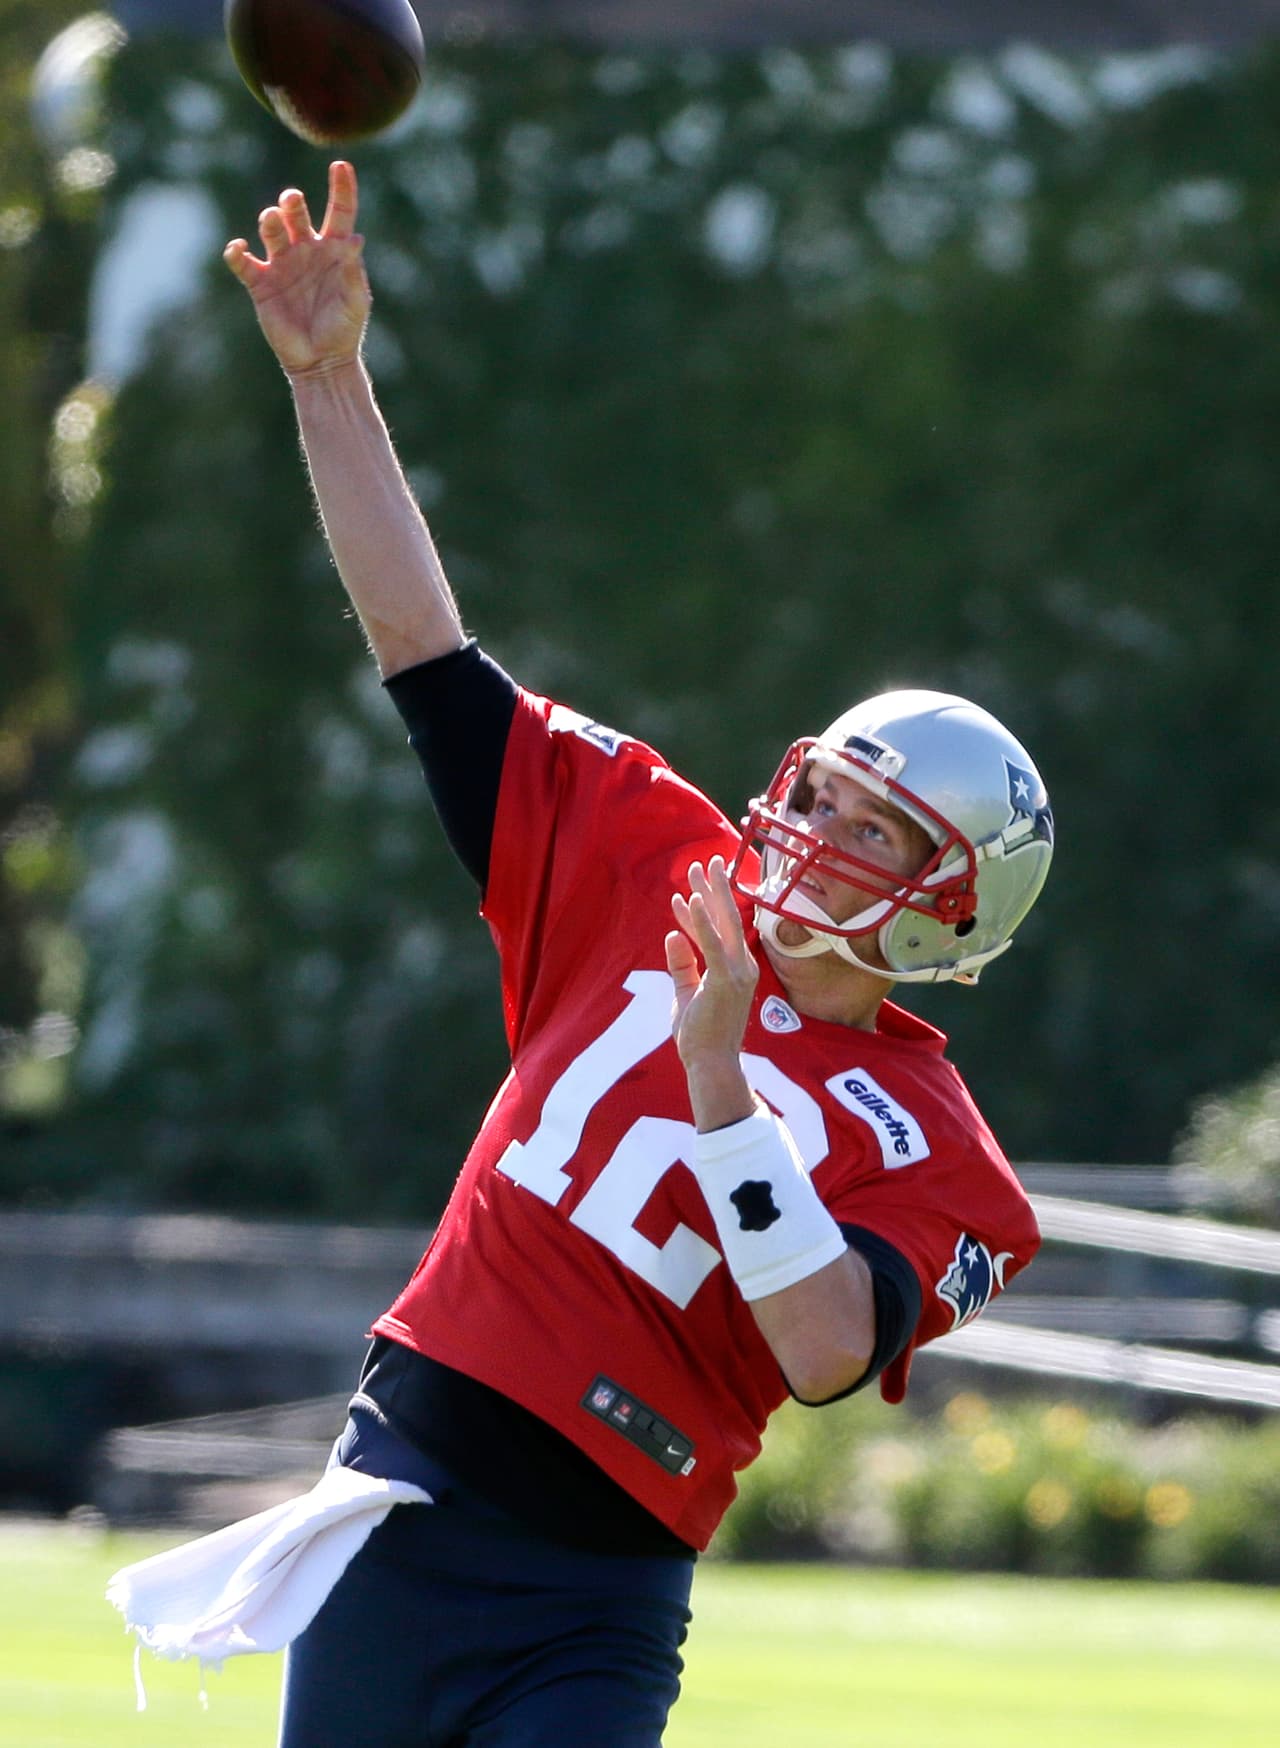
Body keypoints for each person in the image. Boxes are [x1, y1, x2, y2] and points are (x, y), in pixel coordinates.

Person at [219, 160, 1054, 1748]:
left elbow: (816, 1355)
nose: (816, 830)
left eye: (879, 832)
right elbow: (426, 653)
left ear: (954, 912)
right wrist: (332, 381)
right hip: (405, 1502)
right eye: (826, 792)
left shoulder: (947, 1160)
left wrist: (726, 1079)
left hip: (602, 1591)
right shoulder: (647, 858)